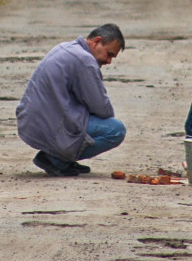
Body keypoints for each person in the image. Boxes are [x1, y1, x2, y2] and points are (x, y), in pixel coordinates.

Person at [16, 24, 127, 177]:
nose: (108, 61)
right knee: (115, 130)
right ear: (96, 41)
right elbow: (103, 109)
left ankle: (61, 157)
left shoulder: (65, 47)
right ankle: (56, 158)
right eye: (109, 54)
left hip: (32, 122)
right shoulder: (85, 60)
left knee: (87, 115)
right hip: (47, 126)